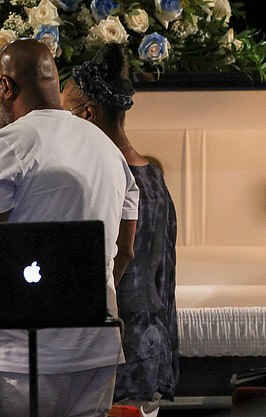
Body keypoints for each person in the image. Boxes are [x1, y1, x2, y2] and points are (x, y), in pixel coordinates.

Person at [0, 38, 139, 417]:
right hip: (97, 353)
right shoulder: (109, 149)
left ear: (6, 87)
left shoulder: (5, 145)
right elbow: (124, 251)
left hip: (18, 358)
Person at [61, 43, 179, 417]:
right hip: (150, 346)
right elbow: (165, 279)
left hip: (117, 356)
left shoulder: (109, 181)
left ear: (89, 114)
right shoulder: (154, 177)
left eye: (66, 116)